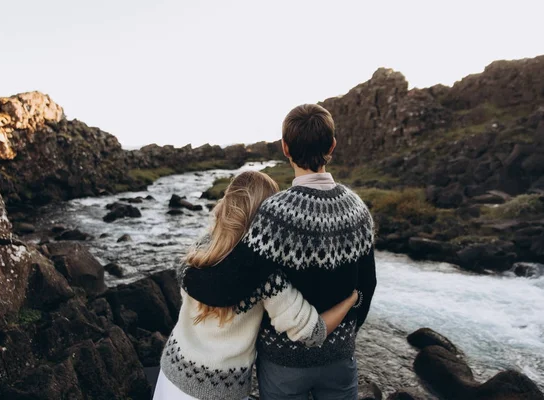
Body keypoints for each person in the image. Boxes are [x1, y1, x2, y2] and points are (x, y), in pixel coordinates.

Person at [153, 171, 358, 400]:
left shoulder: (198, 251)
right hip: (222, 392)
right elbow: (313, 332)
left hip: (171, 376)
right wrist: (351, 300)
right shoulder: (267, 277)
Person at [249, 104, 377, 399]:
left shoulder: (272, 213)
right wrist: (345, 335)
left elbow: (254, 286)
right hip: (339, 356)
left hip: (282, 362)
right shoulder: (358, 209)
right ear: (332, 145)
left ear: (285, 148)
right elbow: (367, 284)